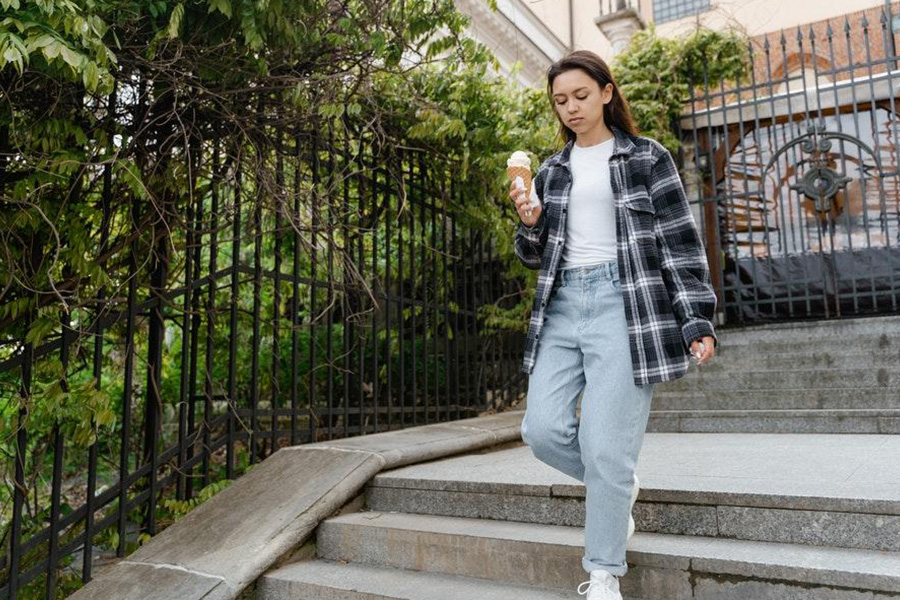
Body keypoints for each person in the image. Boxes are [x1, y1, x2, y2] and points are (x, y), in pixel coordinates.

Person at [509, 50, 718, 600]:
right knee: (542, 430)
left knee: (606, 448)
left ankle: (603, 574)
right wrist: (530, 222)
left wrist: (696, 318)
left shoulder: (647, 158)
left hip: (626, 305)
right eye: (560, 101)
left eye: (580, 96)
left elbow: (680, 243)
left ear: (605, 92)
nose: (571, 108)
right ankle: (617, 487)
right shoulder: (550, 172)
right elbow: (537, 255)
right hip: (561, 306)